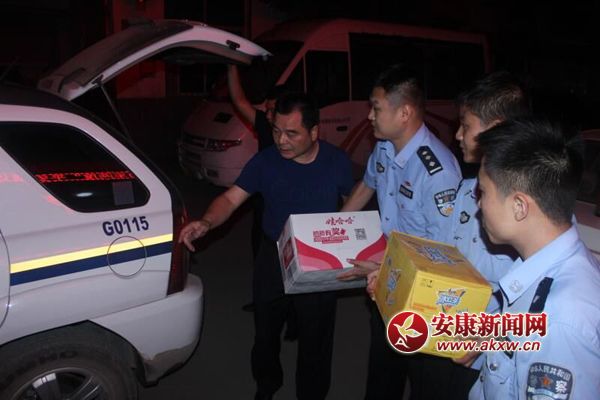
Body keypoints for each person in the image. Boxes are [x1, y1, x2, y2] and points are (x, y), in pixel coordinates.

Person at [179, 92, 354, 400]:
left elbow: (352, 206)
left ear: (314, 132)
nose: (281, 141)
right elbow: (230, 199)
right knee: (265, 332)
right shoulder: (265, 162)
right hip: (273, 255)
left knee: (316, 337)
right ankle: (267, 385)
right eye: (276, 131)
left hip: (319, 260)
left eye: (292, 133)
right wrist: (206, 221)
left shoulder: (337, 162)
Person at [338, 64, 463, 400]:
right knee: (382, 372)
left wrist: (385, 269)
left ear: (404, 113)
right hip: (387, 278)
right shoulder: (384, 146)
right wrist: (335, 228)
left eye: (376, 108)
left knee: (421, 378)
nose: (369, 116)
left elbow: (444, 251)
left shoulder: (437, 171)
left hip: (423, 292)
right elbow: (366, 186)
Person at [467, 117, 600, 399]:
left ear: (519, 206)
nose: (478, 203)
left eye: (484, 192)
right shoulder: (543, 268)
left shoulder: (559, 319)